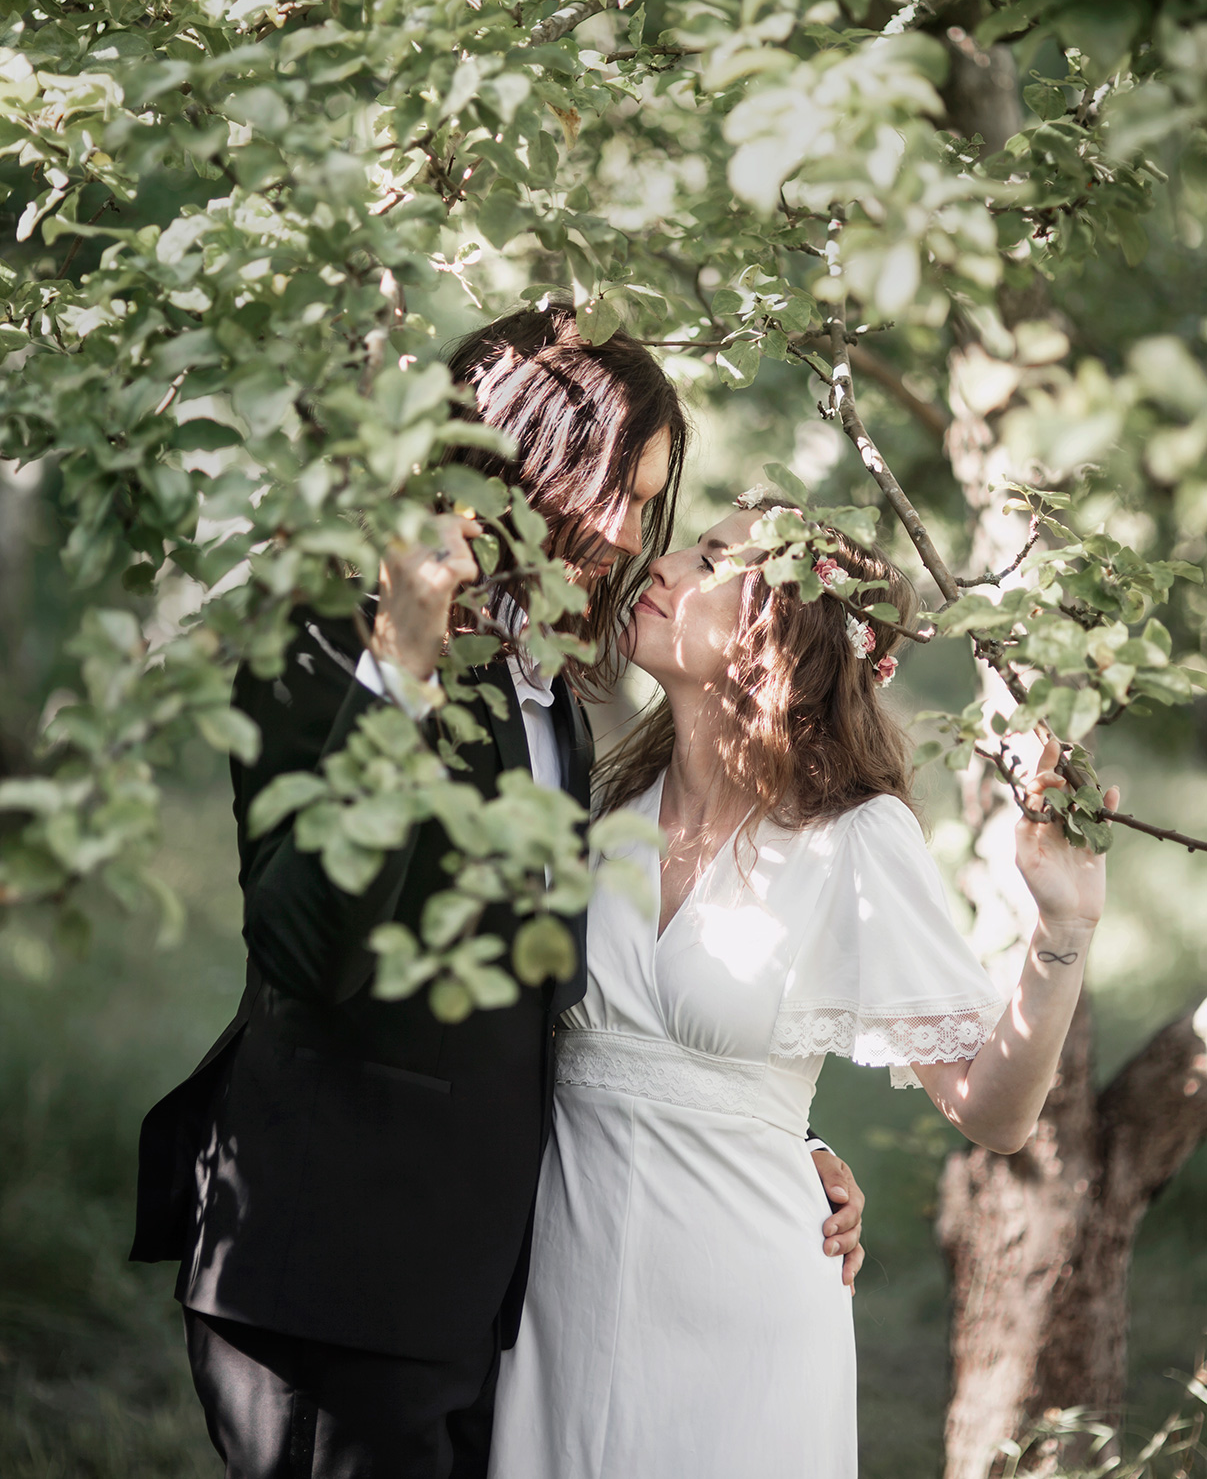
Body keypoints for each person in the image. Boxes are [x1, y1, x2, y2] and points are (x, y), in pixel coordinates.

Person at [130, 309, 866, 1479]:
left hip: (481, 1303)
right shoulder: (324, 639)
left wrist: (778, 1134)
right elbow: (304, 942)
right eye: (614, 486)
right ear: (518, 458)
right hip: (332, 1274)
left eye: (649, 499)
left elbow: (551, 989)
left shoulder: (551, 703)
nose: (629, 532)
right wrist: (398, 673)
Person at [487, 499, 1120, 1479]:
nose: (663, 562)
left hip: (746, 1325)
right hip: (558, 1298)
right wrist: (816, 1148)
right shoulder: (599, 797)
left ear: (778, 627)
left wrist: (1061, 930)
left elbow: (994, 1111)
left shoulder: (851, 837)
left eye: (710, 557)